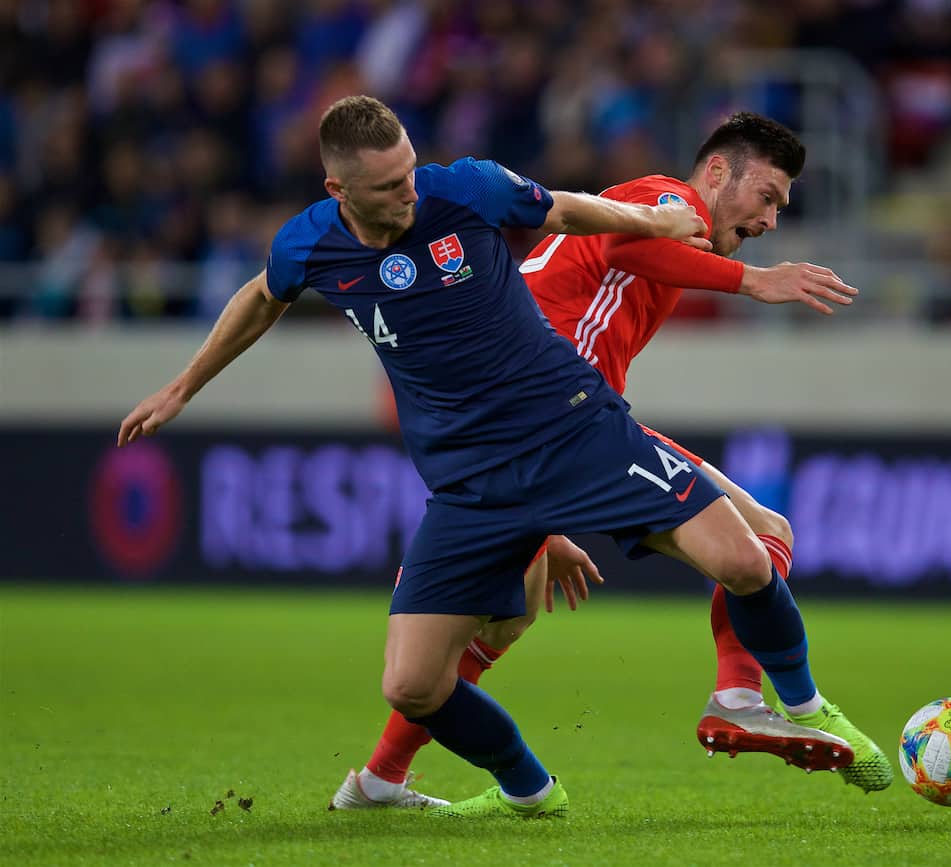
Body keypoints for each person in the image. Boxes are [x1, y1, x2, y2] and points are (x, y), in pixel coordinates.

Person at [119, 95, 860, 821]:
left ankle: (768, 701)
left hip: (568, 425)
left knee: (744, 551)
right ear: (338, 191)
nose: (409, 192)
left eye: (410, 171)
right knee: (425, 673)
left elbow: (574, 212)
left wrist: (656, 222)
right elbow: (260, 295)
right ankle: (511, 783)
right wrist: (185, 384)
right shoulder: (310, 244)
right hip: (479, 471)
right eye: (387, 186)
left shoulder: (462, 188)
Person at [329, 111, 893, 812]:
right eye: (769, 196)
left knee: (506, 620)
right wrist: (752, 281)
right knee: (762, 536)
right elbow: (628, 242)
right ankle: (748, 695)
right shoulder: (671, 200)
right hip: (554, 424)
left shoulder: (661, 216)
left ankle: (381, 779)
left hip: (541, 433)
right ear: (717, 172)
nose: (772, 219)